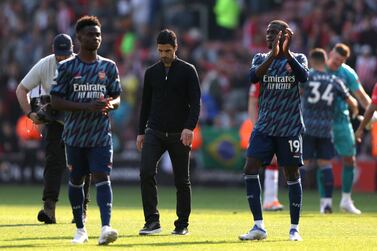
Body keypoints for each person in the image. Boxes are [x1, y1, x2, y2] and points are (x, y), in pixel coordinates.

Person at [50, 16, 121, 245]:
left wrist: (110, 104)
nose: (96, 38)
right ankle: (80, 229)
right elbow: (55, 100)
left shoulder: (108, 66)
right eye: (91, 34)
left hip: (100, 134)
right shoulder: (67, 67)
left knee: (102, 176)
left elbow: (117, 96)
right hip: (74, 134)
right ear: (79, 37)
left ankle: (105, 227)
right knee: (77, 178)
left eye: (98, 34)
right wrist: (86, 107)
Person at [239, 20, 309, 242]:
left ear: (285, 34)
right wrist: (274, 54)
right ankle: (258, 225)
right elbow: (253, 77)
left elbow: (304, 78)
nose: (268, 36)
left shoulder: (299, 58)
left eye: (273, 32)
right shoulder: (260, 58)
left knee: (291, 174)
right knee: (250, 168)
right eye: (267, 32)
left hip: (289, 128)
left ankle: (294, 228)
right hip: (265, 126)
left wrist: (287, 54)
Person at [15, 34, 91, 224]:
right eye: (59, 55)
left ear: (72, 51)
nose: (62, 59)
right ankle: (49, 208)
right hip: (55, 118)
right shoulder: (44, 64)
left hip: (79, 118)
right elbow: (21, 90)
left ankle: (81, 210)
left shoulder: (82, 64)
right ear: (53, 51)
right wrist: (30, 114)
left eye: (66, 55)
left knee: (81, 165)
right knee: (53, 163)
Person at [136, 29, 201, 236]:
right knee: (146, 172)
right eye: (160, 50)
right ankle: (152, 222)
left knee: (182, 180)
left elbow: (195, 104)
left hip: (178, 134)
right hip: (154, 131)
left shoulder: (188, 71)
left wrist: (189, 127)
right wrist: (140, 132)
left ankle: (182, 224)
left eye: (167, 50)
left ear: (176, 48)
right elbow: (145, 105)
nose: (163, 54)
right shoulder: (151, 72)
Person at [301, 48, 358, 214]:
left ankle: (298, 200)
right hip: (326, 129)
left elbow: (296, 93)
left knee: (302, 164)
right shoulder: (334, 80)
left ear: (311, 61)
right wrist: (354, 112)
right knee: (325, 165)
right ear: (325, 60)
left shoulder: (307, 76)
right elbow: (352, 101)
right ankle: (326, 204)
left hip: (308, 127)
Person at [326, 43, 371, 214]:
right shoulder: (319, 69)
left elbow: (360, 95)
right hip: (321, 121)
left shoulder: (347, 72)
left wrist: (372, 111)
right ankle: (326, 202)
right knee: (323, 161)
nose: (337, 63)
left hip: (342, 120)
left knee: (349, 159)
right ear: (331, 54)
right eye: (336, 59)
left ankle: (346, 200)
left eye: (341, 61)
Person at [248, 83, 283, 211]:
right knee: (254, 163)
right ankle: (265, 200)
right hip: (263, 125)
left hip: (280, 123)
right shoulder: (260, 76)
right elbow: (252, 102)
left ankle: (270, 198)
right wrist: (255, 127)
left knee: (274, 160)